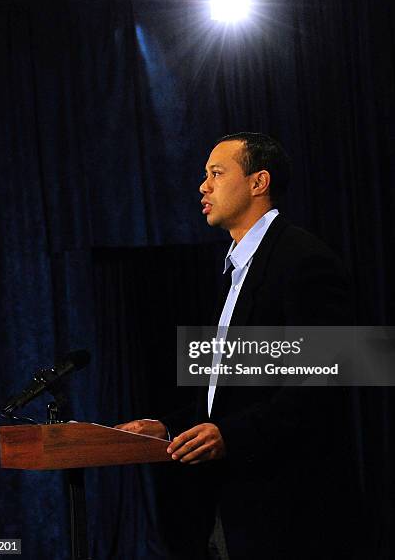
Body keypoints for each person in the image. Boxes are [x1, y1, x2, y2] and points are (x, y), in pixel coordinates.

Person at [115, 133, 359, 559]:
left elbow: (321, 386)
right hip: (227, 509)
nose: (202, 186)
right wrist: (168, 429)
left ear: (257, 182)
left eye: (216, 173)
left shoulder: (303, 260)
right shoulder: (235, 270)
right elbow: (227, 395)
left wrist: (231, 435)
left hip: (287, 514)